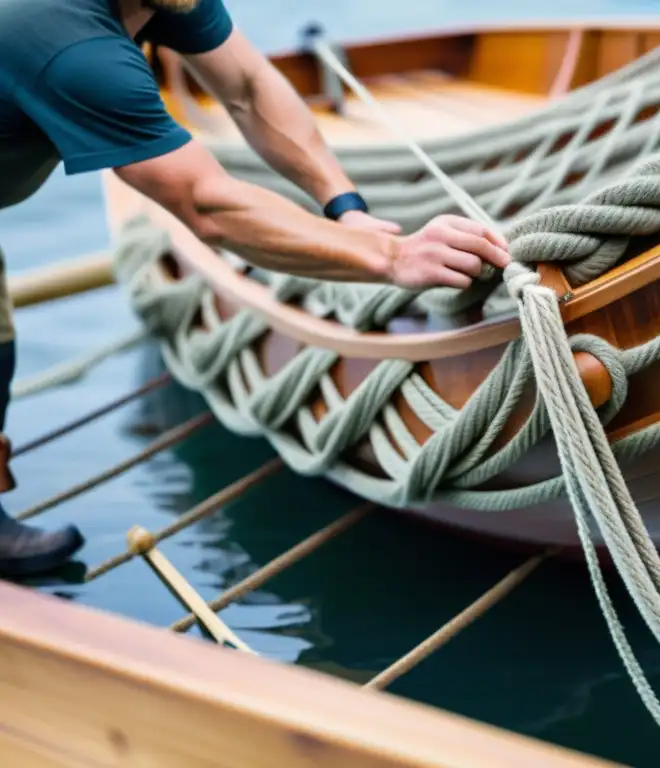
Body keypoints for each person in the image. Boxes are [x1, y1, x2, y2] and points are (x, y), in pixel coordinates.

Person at [0, 0, 512, 577]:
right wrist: (393, 257)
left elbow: (248, 85)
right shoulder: (70, 47)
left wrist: (344, 209)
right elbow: (206, 204)